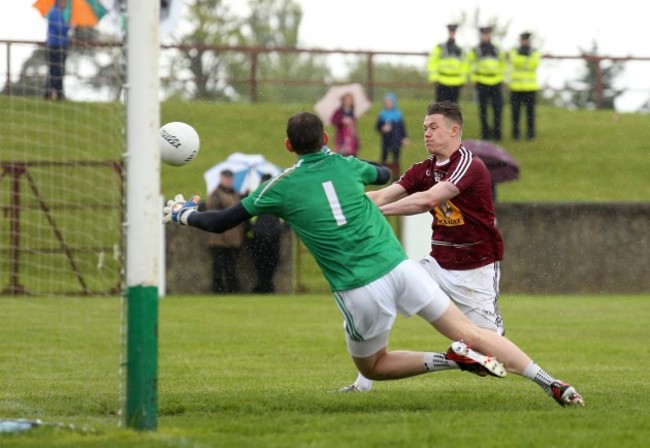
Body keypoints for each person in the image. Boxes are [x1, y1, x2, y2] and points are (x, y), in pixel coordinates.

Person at [163, 111, 583, 407]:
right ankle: (550, 382)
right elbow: (382, 174)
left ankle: (446, 360)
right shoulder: (348, 165)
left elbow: (221, 221)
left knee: (375, 366)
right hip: (401, 269)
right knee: (472, 332)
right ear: (326, 139)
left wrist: (184, 214)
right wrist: (357, 170)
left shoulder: (280, 187)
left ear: (289, 145)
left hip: (360, 287)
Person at [342, 100, 506, 393]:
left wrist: (375, 213)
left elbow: (427, 200)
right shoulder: (424, 169)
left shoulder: (469, 165)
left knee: (490, 358)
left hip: (475, 268)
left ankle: (472, 356)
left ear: (454, 130)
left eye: (434, 127)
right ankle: (362, 384)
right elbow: (382, 196)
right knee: (381, 298)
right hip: (437, 263)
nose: (427, 133)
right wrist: (346, 207)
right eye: (424, 128)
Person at [205, 169, 244, 293]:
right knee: (218, 266)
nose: (228, 181)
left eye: (230, 179)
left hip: (233, 237)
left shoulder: (236, 194)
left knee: (231, 266)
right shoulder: (215, 194)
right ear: (221, 179)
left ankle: (233, 288)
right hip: (219, 238)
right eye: (226, 179)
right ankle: (218, 289)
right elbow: (212, 210)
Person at [466, 26, 506, 141]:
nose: (486, 36)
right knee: (483, 109)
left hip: (496, 82)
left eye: (487, 34)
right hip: (482, 82)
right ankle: (485, 134)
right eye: (484, 34)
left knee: (497, 108)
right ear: (481, 35)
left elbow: (503, 64)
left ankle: (497, 133)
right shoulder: (476, 50)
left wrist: (501, 78)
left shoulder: (497, 49)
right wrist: (474, 78)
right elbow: (470, 64)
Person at [247, 174, 285, 293]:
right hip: (264, 235)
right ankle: (265, 285)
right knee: (265, 262)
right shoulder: (277, 196)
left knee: (267, 262)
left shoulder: (255, 196)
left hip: (266, 234)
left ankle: (265, 285)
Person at [509, 32, 541, 141]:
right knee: (515, 113)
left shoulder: (534, 51)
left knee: (530, 113)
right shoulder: (514, 51)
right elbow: (515, 62)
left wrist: (521, 61)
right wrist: (527, 61)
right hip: (516, 87)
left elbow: (534, 64)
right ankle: (516, 134)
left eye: (526, 40)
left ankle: (530, 134)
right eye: (523, 40)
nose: (524, 42)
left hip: (530, 88)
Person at [427, 24, 467, 103]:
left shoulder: (460, 50)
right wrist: (434, 78)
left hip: (456, 82)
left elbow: (464, 65)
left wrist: (462, 80)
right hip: (442, 81)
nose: (452, 34)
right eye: (450, 32)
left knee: (453, 109)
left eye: (453, 32)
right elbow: (432, 62)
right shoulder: (439, 47)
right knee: (440, 107)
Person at [44, 0, 71, 101]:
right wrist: (69, 25)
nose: (65, 3)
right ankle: (53, 93)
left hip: (62, 45)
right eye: (64, 1)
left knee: (59, 70)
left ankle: (54, 93)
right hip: (54, 46)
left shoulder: (62, 13)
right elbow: (59, 28)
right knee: (54, 70)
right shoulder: (54, 12)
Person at [375, 92, 409, 166]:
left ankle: (396, 175)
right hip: (386, 140)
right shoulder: (382, 114)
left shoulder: (398, 114)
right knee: (384, 157)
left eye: (389, 102)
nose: (388, 104)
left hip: (396, 139)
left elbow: (402, 128)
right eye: (386, 102)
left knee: (396, 158)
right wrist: (382, 128)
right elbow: (377, 127)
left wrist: (405, 137)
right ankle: (383, 173)